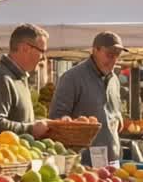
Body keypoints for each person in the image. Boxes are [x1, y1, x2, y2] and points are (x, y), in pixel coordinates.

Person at [51, 31, 125, 164]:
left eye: (117, 56)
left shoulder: (114, 79)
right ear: (95, 50)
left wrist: (118, 118)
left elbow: (114, 111)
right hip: (84, 163)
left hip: (113, 160)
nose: (113, 60)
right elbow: (56, 118)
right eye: (109, 55)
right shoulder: (72, 78)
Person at [0, 25, 50, 139]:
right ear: (24, 48)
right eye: (42, 51)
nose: (44, 58)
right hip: (3, 156)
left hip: (20, 154)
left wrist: (46, 124)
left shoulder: (19, 77)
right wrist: (31, 129)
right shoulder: (0, 78)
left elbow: (21, 120)